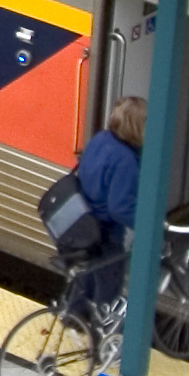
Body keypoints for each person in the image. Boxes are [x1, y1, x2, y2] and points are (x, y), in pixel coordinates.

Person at [69, 95, 145, 312]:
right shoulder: (126, 161)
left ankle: (73, 322)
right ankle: (95, 338)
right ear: (135, 125)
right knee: (108, 290)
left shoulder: (101, 139)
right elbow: (119, 207)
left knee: (87, 279)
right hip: (107, 234)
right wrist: (146, 224)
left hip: (86, 223)